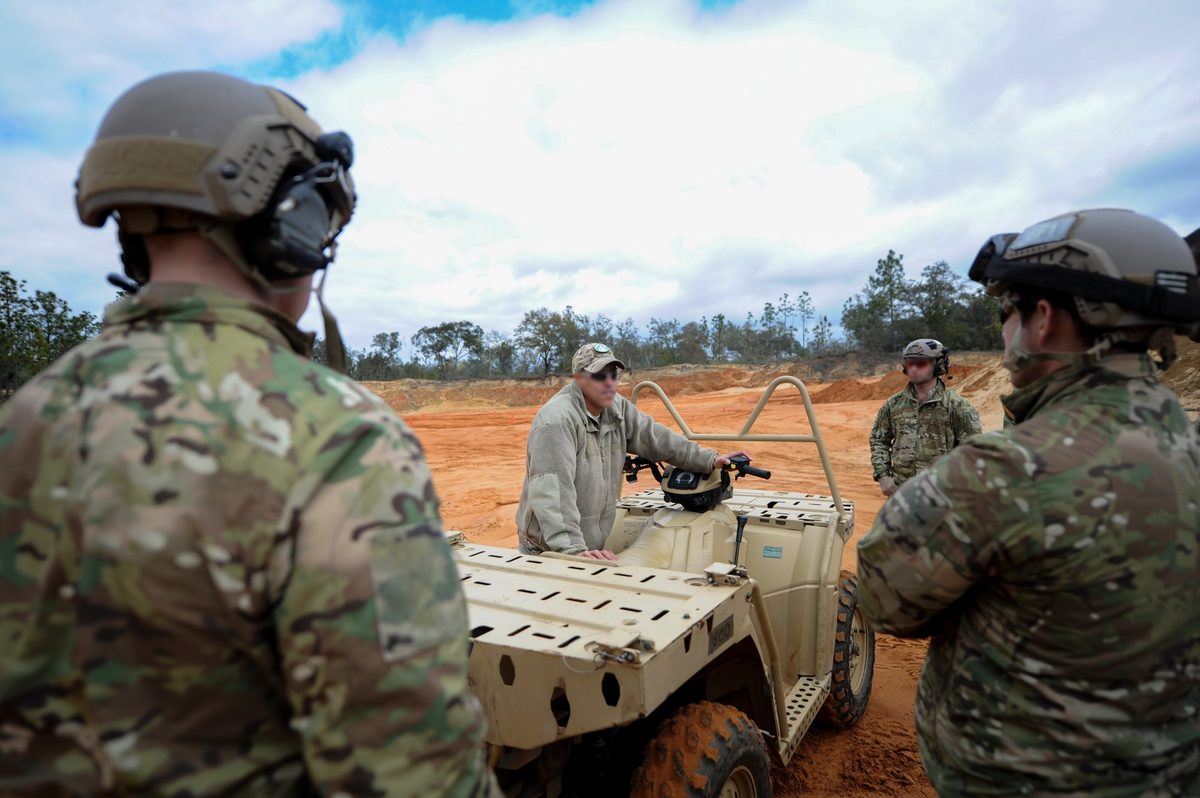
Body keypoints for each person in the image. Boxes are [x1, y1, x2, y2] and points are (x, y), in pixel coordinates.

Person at [0, 71, 497, 797]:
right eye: (319, 221)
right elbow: (413, 774)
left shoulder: (24, 419)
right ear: (286, 227)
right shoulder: (340, 441)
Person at [856, 208, 1200, 795]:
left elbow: (884, 600)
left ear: (1043, 320)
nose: (1005, 330)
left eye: (1006, 311)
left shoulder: (1000, 473)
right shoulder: (1186, 447)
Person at [517, 342, 748, 559]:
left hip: (587, 547)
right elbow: (552, 493)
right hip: (548, 551)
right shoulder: (556, 422)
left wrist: (710, 459)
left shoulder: (615, 407)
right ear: (579, 379)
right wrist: (574, 551)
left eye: (613, 375)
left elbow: (656, 437)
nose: (609, 382)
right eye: (599, 375)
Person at [869, 338, 981, 497]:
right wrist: (883, 476)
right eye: (909, 363)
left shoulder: (958, 406)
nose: (913, 368)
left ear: (938, 365)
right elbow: (879, 440)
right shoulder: (893, 405)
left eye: (921, 363)